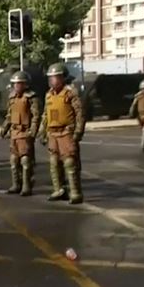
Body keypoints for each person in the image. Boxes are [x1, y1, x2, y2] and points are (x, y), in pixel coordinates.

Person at [38, 63, 85, 204]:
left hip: (66, 132)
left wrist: (78, 132)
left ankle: (75, 192)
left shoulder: (70, 92)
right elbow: (46, 115)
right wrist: (42, 130)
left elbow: (80, 114)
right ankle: (58, 190)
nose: (52, 80)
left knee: (70, 162)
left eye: (55, 77)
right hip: (53, 133)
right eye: (50, 78)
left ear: (63, 78)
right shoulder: (48, 95)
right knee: (54, 162)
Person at [2, 71, 40, 196]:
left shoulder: (31, 97)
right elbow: (9, 115)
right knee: (14, 160)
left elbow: (36, 116)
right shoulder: (12, 97)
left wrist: (32, 131)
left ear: (25, 84)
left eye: (19, 84)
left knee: (25, 160)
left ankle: (26, 185)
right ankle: (16, 184)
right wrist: (5, 128)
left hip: (25, 132)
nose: (16, 86)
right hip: (14, 132)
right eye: (14, 84)